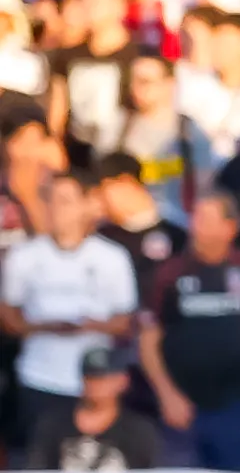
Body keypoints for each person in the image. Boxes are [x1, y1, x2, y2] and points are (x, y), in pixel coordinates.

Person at [3, 168, 144, 452]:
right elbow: (8, 317)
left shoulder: (112, 258)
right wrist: (43, 327)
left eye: (66, 201)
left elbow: (125, 320)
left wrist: (89, 326)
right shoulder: (23, 257)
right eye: (51, 200)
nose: (57, 210)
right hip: (39, 377)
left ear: (85, 205)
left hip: (95, 383)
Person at [20, 338, 156, 468]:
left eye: (104, 379)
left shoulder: (139, 430)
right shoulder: (53, 424)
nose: (96, 386)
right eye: (91, 378)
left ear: (123, 381)